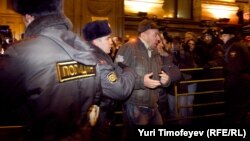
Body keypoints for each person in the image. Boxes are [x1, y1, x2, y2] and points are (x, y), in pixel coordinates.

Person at [0, 0, 134, 141]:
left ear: (28, 17)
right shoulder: (83, 48)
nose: (111, 42)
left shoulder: (21, 53)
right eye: (107, 39)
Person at [115, 19, 171, 139]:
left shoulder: (155, 52)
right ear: (144, 34)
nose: (159, 38)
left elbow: (158, 75)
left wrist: (166, 81)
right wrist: (141, 82)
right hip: (135, 107)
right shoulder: (128, 48)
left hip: (154, 107)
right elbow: (117, 77)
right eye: (155, 34)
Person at [82, 20, 137, 141]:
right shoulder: (99, 61)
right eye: (107, 38)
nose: (111, 42)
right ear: (96, 41)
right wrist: (130, 70)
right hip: (99, 120)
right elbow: (120, 90)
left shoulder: (87, 55)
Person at [221, 25, 250, 125]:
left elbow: (234, 69)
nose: (222, 38)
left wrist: (228, 85)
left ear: (231, 36)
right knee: (240, 111)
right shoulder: (237, 45)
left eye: (224, 35)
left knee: (236, 112)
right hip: (242, 82)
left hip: (238, 84)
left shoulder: (234, 48)